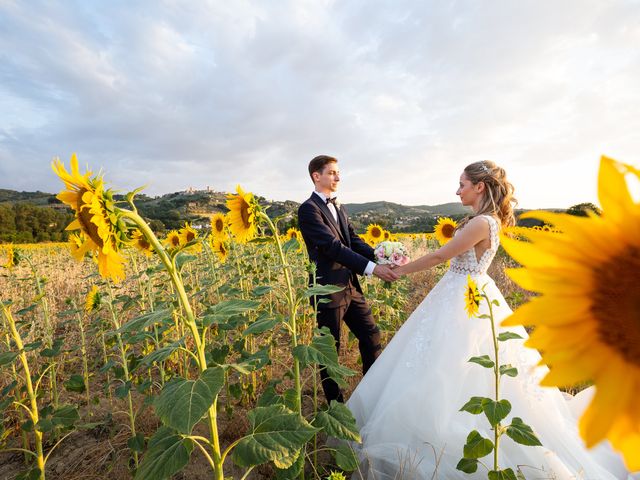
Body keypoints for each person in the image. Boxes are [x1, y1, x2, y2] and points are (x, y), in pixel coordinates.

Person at [346, 161, 633, 479]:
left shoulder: (482, 222)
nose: (458, 191)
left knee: (454, 366)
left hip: (465, 298)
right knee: (445, 364)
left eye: (463, 184)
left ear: (479, 186)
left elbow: (441, 255)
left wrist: (398, 270)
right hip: (462, 291)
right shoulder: (481, 220)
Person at [298, 155, 399, 404]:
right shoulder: (308, 209)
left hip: (350, 286)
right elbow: (332, 247)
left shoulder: (339, 207)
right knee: (329, 351)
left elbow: (352, 241)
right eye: (332, 172)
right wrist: (373, 269)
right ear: (316, 176)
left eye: (338, 172)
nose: (338, 177)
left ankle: (370, 395)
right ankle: (336, 408)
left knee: (371, 336)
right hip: (326, 291)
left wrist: (381, 256)